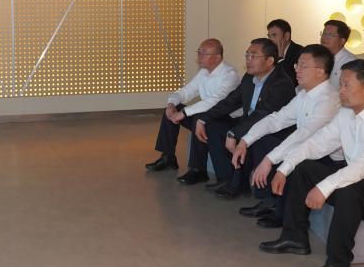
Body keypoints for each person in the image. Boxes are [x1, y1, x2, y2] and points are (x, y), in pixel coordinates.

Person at [257, 61, 364, 267]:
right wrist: (283, 168)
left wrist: (324, 187)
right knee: (304, 168)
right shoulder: (346, 114)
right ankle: (294, 237)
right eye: (340, 84)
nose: (341, 90)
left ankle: (338, 265)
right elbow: (316, 143)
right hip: (358, 181)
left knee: (349, 191)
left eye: (346, 85)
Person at [234, 45, 342, 225]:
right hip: (307, 148)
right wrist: (244, 141)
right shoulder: (304, 94)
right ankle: (270, 200)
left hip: (328, 159)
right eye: (297, 65)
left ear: (320, 71)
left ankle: (283, 214)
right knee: (263, 140)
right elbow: (276, 119)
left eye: (303, 66)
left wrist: (269, 160)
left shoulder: (328, 100)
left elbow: (305, 135)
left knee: (294, 159)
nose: (297, 70)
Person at [187, 39, 295, 194]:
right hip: (249, 122)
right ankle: (226, 178)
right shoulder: (249, 77)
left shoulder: (281, 83)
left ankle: (245, 187)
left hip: (271, 130)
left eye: (253, 56)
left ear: (270, 61)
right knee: (213, 125)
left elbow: (262, 115)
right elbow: (231, 101)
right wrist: (204, 118)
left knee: (247, 136)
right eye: (247, 55)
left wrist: (234, 133)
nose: (248, 60)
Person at [145, 39, 238, 173]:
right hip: (207, 115)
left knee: (198, 116)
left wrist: (184, 113)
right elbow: (185, 92)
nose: (200, 56)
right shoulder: (204, 72)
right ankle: (168, 157)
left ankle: (197, 169)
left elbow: (215, 101)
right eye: (199, 52)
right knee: (172, 110)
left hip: (226, 119)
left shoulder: (230, 75)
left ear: (218, 57)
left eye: (204, 53)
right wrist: (171, 104)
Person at [320, 20, 358, 88]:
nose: (324, 37)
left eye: (330, 35)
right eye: (324, 33)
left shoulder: (350, 62)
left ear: (342, 41)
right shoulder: (318, 57)